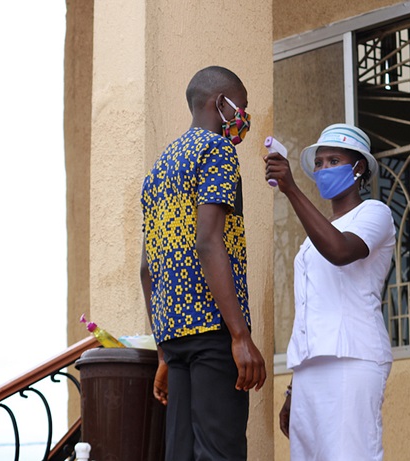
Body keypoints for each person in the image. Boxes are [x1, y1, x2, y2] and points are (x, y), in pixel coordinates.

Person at [140, 65, 266, 461]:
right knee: (219, 452)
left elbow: (147, 267)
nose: (243, 117)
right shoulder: (217, 151)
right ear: (220, 103)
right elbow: (209, 241)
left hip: (175, 338)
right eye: (241, 107)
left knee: (181, 454)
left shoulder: (159, 169)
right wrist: (240, 336)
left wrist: (163, 351)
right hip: (214, 331)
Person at [265, 123, 395, 460]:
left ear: (359, 167)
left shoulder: (375, 214)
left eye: (333, 160)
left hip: (354, 358)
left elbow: (340, 252)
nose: (323, 169)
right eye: (319, 163)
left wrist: (292, 189)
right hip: (310, 367)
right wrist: (293, 388)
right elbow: (312, 311)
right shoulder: (314, 237)